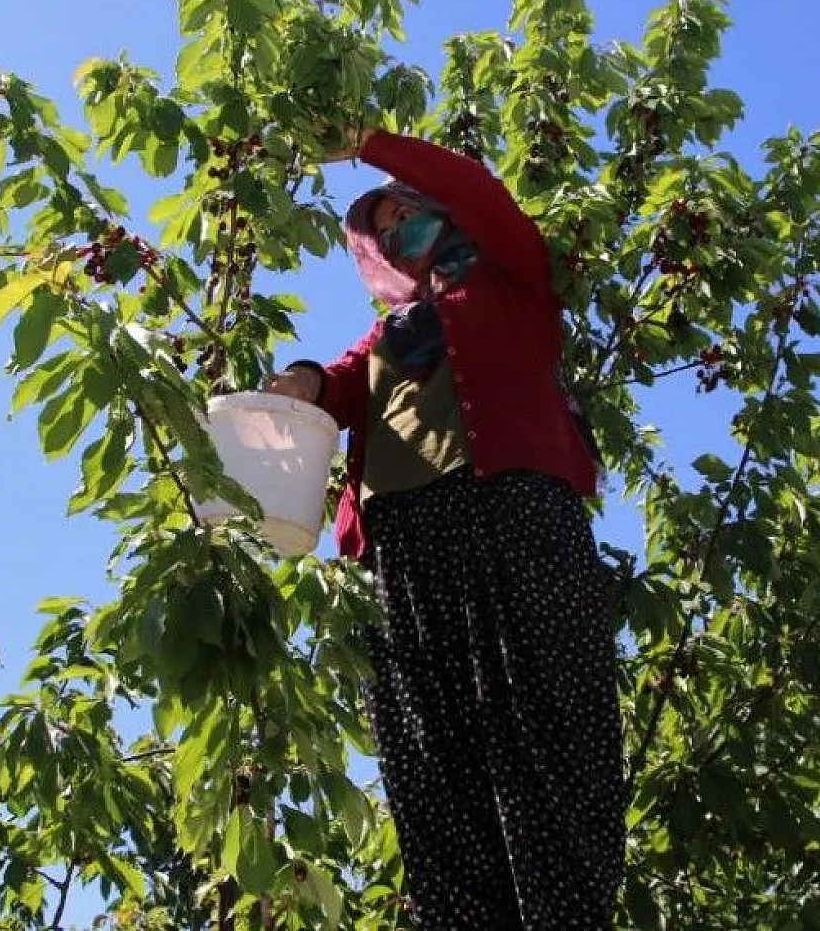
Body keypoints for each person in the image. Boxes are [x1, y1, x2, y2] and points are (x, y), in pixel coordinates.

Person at [265, 126, 625, 928]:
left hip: (514, 517)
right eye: (382, 228)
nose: (398, 231)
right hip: (404, 548)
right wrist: (301, 381)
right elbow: (338, 384)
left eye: (407, 212)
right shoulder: (389, 334)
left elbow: (483, 195)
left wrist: (367, 145)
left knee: (546, 732)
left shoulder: (512, 277)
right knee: (432, 762)